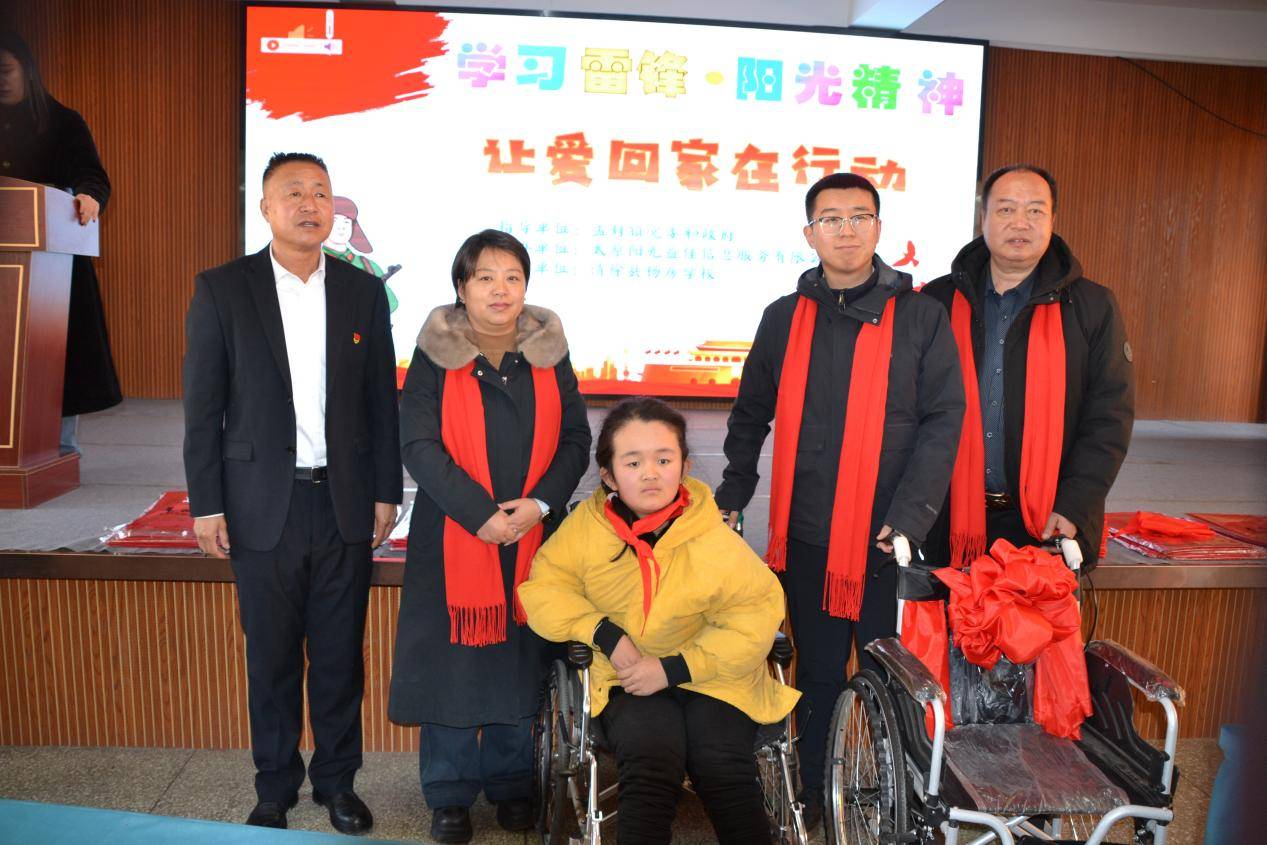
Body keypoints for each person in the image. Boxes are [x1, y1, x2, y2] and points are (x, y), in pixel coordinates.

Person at [714, 172, 965, 827]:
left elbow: (944, 420)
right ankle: (816, 791)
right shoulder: (783, 317)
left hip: (889, 537)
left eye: (859, 217)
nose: (846, 230)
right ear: (810, 233)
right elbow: (750, 412)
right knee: (819, 673)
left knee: (890, 676)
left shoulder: (920, 317)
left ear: (879, 229)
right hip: (808, 533)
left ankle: (895, 799)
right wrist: (733, 492)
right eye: (831, 218)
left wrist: (909, 516)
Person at [182, 152, 402, 833]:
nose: (310, 204)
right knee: (271, 658)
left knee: (339, 658)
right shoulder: (223, 288)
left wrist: (386, 490)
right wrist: (206, 504)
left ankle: (337, 783)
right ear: (266, 208)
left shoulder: (363, 290)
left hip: (343, 501)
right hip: (259, 504)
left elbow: (381, 402)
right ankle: (273, 787)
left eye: (321, 193)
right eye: (294, 192)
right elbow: (203, 408)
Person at [520, 397, 800, 845]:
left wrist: (673, 668)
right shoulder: (585, 529)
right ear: (609, 475)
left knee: (722, 761)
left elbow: (755, 614)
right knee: (651, 755)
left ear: (684, 467)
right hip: (626, 675)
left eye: (664, 460)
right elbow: (544, 589)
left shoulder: (712, 534)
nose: (650, 473)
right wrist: (604, 633)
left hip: (714, 676)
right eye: (633, 462)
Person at [387, 229, 591, 844]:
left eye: (512, 277)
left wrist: (539, 505)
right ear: (462, 286)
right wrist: (481, 515)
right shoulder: (435, 353)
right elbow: (418, 444)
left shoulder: (549, 352)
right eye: (485, 277)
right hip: (456, 533)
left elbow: (576, 439)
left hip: (535, 535)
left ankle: (511, 782)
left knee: (520, 661)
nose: (500, 290)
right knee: (454, 663)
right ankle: (448, 793)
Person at [921, 164, 1134, 570]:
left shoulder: (1091, 307)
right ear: (983, 218)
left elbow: (1110, 419)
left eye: (1035, 210)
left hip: (1050, 522)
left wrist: (1074, 504)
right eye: (1006, 209)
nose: (1020, 222)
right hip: (951, 521)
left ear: (1053, 220)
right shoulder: (937, 301)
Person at [0, 30, 121, 453]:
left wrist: (89, 197)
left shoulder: (63, 121)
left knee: (55, 351)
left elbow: (93, 175)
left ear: (27, 70)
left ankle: (58, 450)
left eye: (5, 70)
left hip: (51, 262)